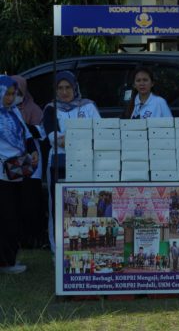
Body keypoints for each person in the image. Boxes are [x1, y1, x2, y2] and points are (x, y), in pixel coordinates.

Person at [43, 71, 100, 252]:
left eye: (68, 87)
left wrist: (69, 138)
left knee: (85, 204)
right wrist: (82, 137)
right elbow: (55, 139)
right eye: (60, 88)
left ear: (75, 87)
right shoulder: (51, 109)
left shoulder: (88, 107)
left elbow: (99, 133)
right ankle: (58, 248)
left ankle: (83, 244)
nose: (64, 92)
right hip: (59, 164)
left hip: (86, 163)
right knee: (58, 206)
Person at [0, 75, 39, 274]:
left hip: (17, 170)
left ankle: (8, 259)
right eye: (6, 93)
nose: (10, 97)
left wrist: (32, 152)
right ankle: (5, 263)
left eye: (13, 94)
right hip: (1, 174)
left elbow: (28, 135)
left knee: (15, 216)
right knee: (6, 217)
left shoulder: (13, 111)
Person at [12, 75, 46, 249]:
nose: (15, 94)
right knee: (14, 200)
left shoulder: (33, 109)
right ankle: (18, 237)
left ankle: (33, 238)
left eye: (18, 90)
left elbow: (42, 133)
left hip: (31, 161)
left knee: (31, 201)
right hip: (11, 163)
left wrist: (29, 128)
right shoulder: (5, 109)